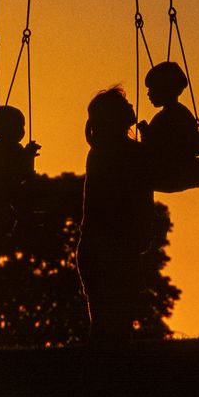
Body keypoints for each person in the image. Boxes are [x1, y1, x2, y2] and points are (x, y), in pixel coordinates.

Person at [77, 87, 154, 345]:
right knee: (116, 326)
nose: (132, 105)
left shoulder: (101, 150)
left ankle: (105, 377)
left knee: (106, 325)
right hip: (112, 249)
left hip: (99, 248)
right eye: (125, 104)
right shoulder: (123, 151)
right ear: (113, 116)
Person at [136, 61, 199, 192]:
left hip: (172, 174)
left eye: (151, 89)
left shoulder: (171, 116)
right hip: (176, 172)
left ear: (163, 89)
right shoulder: (178, 113)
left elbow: (157, 150)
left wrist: (145, 132)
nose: (148, 94)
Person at [0, 105, 41, 197]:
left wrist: (28, 153)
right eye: (18, 126)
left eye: (22, 126)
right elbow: (20, 168)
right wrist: (28, 154)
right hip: (0, 189)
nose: (21, 130)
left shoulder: (2, 147)